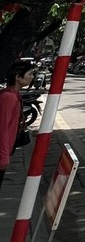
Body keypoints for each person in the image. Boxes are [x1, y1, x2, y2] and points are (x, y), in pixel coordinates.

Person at [0, 60, 35, 189]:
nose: (32, 77)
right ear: (18, 77)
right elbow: (3, 128)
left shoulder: (12, 95)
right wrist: (3, 156)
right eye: (29, 74)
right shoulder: (9, 98)